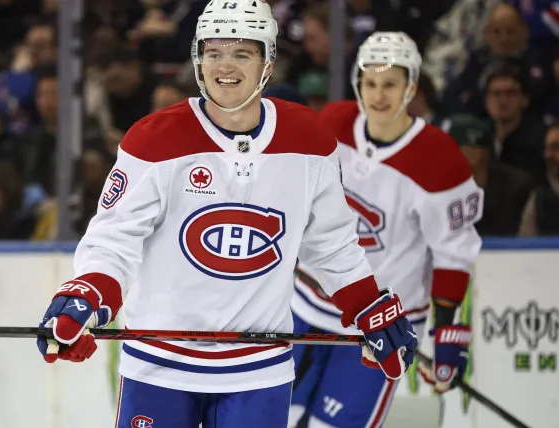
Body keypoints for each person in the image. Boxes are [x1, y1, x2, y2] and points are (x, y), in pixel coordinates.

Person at [35, 2, 418, 427]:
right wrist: (89, 294)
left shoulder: (309, 140)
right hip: (159, 363)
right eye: (214, 52)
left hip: (259, 370)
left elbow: (330, 244)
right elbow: (114, 239)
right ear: (198, 59)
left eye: (242, 53)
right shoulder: (154, 139)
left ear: (267, 63)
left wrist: (367, 306)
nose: (225, 66)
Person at [289, 32, 484, 428]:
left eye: (391, 84)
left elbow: (453, 254)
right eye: (370, 83)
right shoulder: (333, 123)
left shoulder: (442, 161)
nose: (378, 95)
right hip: (305, 304)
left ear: (411, 87)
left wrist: (447, 331)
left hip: (381, 325)